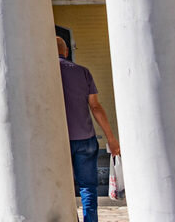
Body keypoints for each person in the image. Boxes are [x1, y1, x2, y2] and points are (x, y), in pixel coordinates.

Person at [58, 36, 120, 222]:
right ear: (66, 51)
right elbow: (95, 106)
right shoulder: (82, 72)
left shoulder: (45, 73)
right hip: (85, 138)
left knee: (60, 185)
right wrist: (111, 138)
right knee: (88, 187)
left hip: (58, 141)